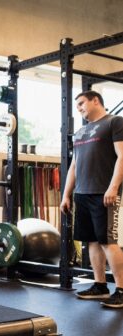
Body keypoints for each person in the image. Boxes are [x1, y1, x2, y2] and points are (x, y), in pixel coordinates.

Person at [60, 91, 123, 308]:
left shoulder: (114, 122)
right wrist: (66, 194)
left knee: (108, 241)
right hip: (82, 193)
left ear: (95, 100)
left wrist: (113, 187)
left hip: (103, 193)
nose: (78, 108)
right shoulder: (80, 132)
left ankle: (121, 290)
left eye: (81, 103)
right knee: (92, 241)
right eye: (77, 105)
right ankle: (100, 285)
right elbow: (74, 166)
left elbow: (122, 156)